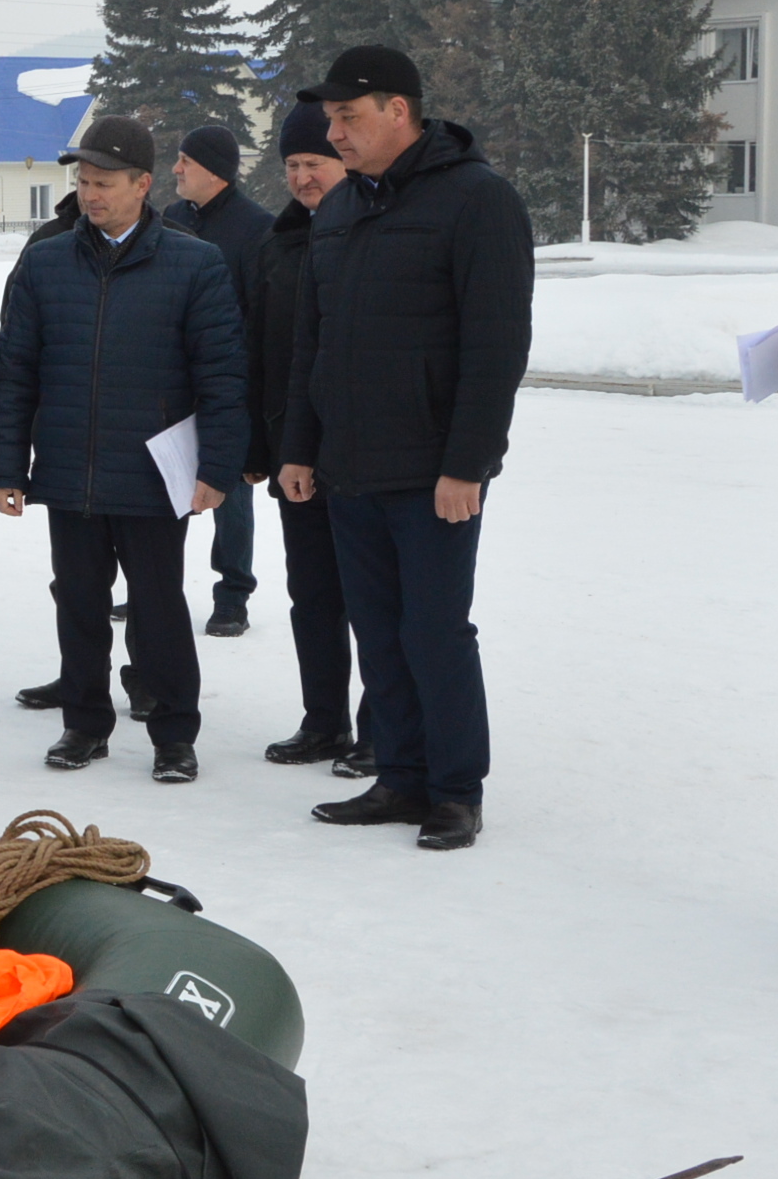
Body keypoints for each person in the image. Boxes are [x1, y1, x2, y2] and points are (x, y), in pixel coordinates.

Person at [276, 46, 532, 851]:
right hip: (350, 463)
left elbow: (496, 346)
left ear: (399, 110)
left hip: (432, 472)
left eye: (348, 118)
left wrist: (469, 463)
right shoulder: (343, 210)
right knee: (378, 630)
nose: (335, 133)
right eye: (330, 121)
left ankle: (455, 788)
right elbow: (312, 344)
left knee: (434, 629)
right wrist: (299, 448)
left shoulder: (477, 201)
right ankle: (399, 774)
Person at [0, 115, 245, 781]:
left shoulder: (194, 264)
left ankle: (173, 735)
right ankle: (84, 724)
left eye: (104, 182)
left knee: (159, 608)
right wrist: (7, 466)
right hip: (70, 470)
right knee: (78, 603)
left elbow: (222, 376)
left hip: (154, 475)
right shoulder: (46, 261)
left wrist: (217, 467)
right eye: (84, 181)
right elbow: (16, 370)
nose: (91, 193)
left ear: (143, 185)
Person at [244, 103, 372, 774]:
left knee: (377, 600)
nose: (301, 178)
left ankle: (383, 729)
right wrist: (257, 449)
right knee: (313, 597)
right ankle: (325, 721)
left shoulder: (373, 232)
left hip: (366, 457)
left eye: (312, 163)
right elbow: (260, 353)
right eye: (291, 165)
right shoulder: (279, 245)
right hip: (297, 457)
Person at [163, 125, 274, 638]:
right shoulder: (171, 219)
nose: (176, 170)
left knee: (229, 492)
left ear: (214, 169)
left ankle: (233, 595)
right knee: (166, 488)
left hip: (231, 383)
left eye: (185, 161)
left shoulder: (256, 229)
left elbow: (261, 316)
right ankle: (155, 586)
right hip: (173, 382)